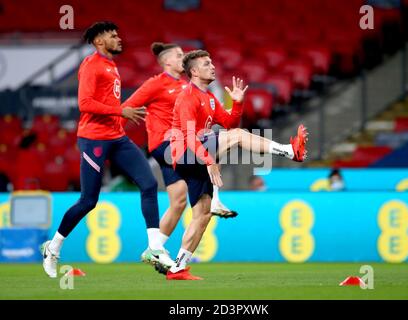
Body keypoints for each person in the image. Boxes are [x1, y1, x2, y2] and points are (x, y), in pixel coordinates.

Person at [40, 21, 170, 278]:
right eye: (112, 35)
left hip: (117, 137)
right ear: (99, 41)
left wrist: (119, 115)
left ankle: (155, 247)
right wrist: (120, 110)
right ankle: (53, 247)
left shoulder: (111, 65)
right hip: (94, 140)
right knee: (88, 201)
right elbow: (84, 103)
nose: (118, 38)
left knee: (148, 183)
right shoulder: (91, 64)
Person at [166, 50, 308, 280]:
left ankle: (177, 268)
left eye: (211, 62)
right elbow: (189, 135)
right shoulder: (187, 96)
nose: (212, 66)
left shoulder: (210, 98)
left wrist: (238, 103)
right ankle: (289, 150)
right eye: (206, 63)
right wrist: (210, 161)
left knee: (202, 215)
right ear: (193, 71)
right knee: (239, 135)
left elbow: (230, 122)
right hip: (184, 152)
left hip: (196, 157)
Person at [121, 42, 237, 272]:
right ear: (167, 62)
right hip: (166, 144)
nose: (183, 58)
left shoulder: (188, 87)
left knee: (179, 201)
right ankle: (214, 199)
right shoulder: (155, 84)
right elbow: (127, 106)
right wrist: (116, 136)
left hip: (182, 145)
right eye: (179, 55)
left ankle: (155, 249)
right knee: (213, 145)